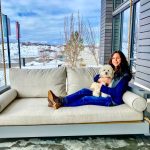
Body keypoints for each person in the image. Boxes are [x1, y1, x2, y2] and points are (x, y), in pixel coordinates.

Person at [48, 50, 132, 109]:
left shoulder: (125, 76)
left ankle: (59, 103)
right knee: (83, 91)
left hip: (112, 100)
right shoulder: (111, 69)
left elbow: (117, 93)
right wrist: (102, 80)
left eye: (118, 58)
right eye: (113, 58)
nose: (115, 60)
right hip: (102, 93)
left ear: (122, 59)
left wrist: (104, 85)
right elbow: (96, 78)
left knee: (86, 99)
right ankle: (60, 100)